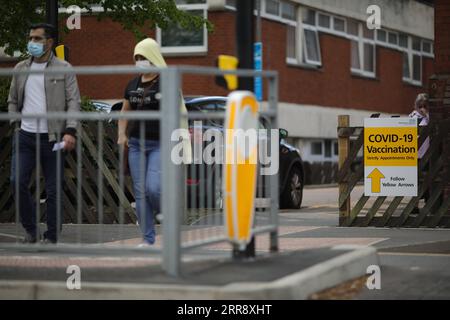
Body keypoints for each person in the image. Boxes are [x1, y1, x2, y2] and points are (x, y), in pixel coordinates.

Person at [7, 23, 80, 244]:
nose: (32, 43)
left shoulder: (64, 68)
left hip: (53, 137)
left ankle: (52, 235)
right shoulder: (21, 68)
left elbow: (74, 101)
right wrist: (15, 123)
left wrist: (70, 130)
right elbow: (12, 100)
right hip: (25, 136)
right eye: (31, 38)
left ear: (49, 42)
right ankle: (31, 230)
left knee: (53, 189)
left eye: (37, 39)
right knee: (16, 181)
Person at [117, 38, 191, 246]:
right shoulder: (132, 85)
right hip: (136, 145)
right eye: (137, 58)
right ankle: (148, 239)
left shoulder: (166, 81)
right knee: (140, 192)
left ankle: (168, 217)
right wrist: (122, 134)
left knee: (154, 188)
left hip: (160, 144)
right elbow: (125, 112)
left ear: (154, 57)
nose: (140, 61)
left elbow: (176, 111)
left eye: (144, 57)